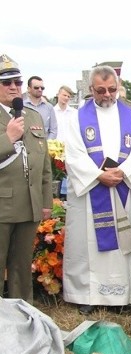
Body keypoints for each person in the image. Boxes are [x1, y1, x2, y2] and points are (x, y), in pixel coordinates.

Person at [63, 65, 131, 315]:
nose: (107, 95)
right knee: (86, 242)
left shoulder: (130, 116)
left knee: (118, 247)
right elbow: (74, 155)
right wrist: (98, 175)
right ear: (91, 90)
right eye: (101, 91)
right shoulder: (77, 117)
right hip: (90, 192)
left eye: (112, 89)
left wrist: (121, 173)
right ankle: (87, 295)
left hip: (120, 189)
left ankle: (118, 296)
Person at [0, 54, 53, 303]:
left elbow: (43, 164)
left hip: (29, 204)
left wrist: (45, 201)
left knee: (22, 266)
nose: (13, 87)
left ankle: (23, 314)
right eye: (6, 82)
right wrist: (7, 138)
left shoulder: (33, 116)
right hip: (2, 205)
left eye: (17, 83)